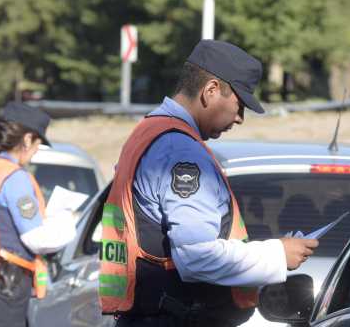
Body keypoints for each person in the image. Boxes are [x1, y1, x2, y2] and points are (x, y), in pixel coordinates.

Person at [99, 40, 319, 327]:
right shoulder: (181, 150)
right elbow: (196, 255)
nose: (240, 118)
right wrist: (277, 253)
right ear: (211, 90)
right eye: (240, 105)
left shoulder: (150, 130)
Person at [0, 101, 78, 327]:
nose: (34, 154)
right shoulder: (13, 177)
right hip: (6, 285)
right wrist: (68, 225)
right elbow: (36, 239)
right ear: (27, 139)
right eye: (36, 146)